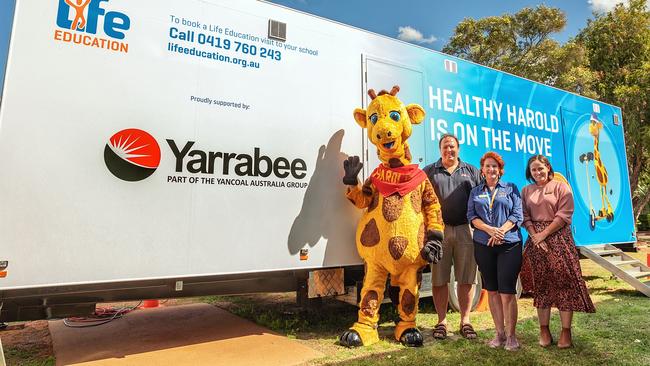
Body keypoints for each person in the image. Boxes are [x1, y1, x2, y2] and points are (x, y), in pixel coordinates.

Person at [520, 155, 595, 349]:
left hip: (559, 238)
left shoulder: (562, 187)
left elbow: (564, 214)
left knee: (565, 285)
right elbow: (525, 215)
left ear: (548, 168)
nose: (537, 172)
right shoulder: (526, 190)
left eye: (540, 168)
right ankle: (544, 330)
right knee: (541, 286)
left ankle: (565, 331)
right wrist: (535, 235)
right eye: (534, 170)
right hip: (536, 241)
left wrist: (544, 234)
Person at [423, 134, 482, 340]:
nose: (449, 150)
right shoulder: (429, 171)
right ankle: (441, 322)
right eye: (445, 147)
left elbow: (483, 199)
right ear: (440, 150)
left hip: (466, 229)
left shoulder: (472, 171)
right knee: (439, 279)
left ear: (458, 149)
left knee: (466, 278)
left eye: (452, 147)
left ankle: (465, 321)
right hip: (438, 232)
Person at [467, 151, 523, 351]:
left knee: (507, 292)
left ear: (500, 170)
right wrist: (490, 230)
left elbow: (517, 214)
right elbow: (471, 216)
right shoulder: (475, 192)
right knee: (491, 290)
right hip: (483, 245)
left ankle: (511, 336)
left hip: (509, 245)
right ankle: (499, 333)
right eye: (487, 166)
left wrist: (500, 232)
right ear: (482, 170)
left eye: (495, 166)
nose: (491, 169)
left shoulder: (510, 189)